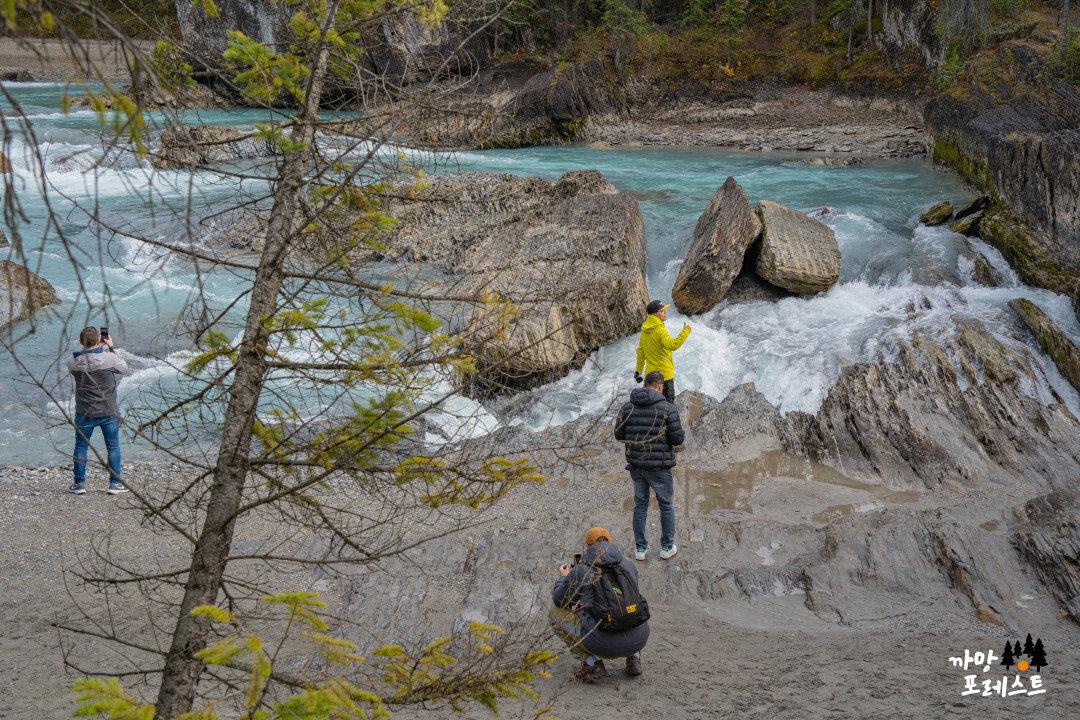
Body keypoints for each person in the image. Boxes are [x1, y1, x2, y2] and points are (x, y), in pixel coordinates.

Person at [550, 527, 650, 683]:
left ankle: (592, 664)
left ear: (587, 546)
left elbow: (560, 601)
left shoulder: (582, 570)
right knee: (630, 606)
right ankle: (634, 658)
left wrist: (565, 578)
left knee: (555, 613)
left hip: (602, 645)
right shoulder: (629, 566)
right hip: (640, 638)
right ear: (610, 543)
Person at [614, 371, 684, 561]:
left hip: (636, 466)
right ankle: (667, 547)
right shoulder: (667, 409)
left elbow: (618, 435)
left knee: (640, 506)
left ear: (644, 386)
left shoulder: (627, 407)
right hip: (660, 467)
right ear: (661, 387)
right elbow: (678, 438)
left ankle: (640, 550)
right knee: (666, 505)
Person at [66, 326, 128, 495]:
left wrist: (96, 349)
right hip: (109, 411)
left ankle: (79, 484)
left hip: (84, 412)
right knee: (113, 447)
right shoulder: (110, 358)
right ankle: (114, 484)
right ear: (100, 341)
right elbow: (123, 368)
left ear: (80, 342)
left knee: (80, 446)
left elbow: (86, 362)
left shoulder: (72, 361)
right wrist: (111, 347)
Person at [634, 299, 690, 404]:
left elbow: (641, 352)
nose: (665, 312)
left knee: (651, 406)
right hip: (664, 377)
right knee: (667, 407)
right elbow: (673, 345)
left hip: (650, 377)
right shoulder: (660, 331)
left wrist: (638, 371)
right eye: (662, 311)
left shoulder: (644, 330)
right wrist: (685, 331)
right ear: (655, 314)